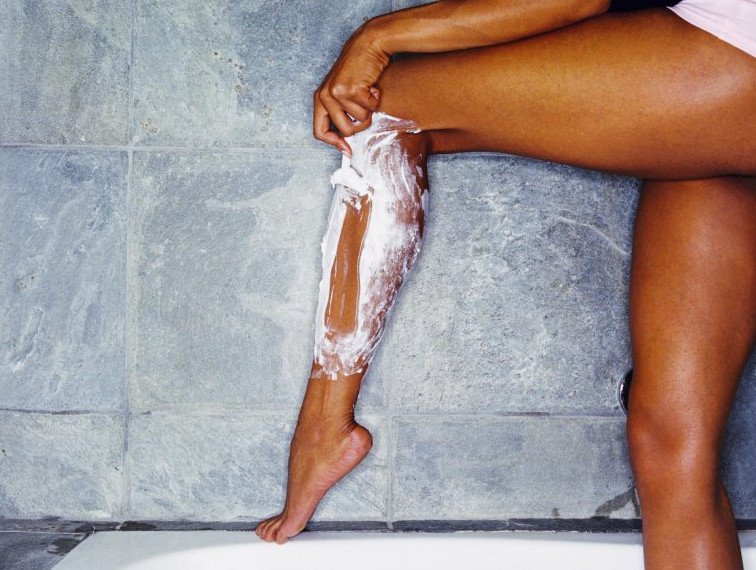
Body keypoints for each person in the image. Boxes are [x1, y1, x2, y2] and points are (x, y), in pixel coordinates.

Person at [255, 0, 756, 567]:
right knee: (673, 448)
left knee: (375, 107)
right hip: (729, 79)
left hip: (735, 56)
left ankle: (324, 429)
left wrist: (378, 36)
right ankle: (324, 433)